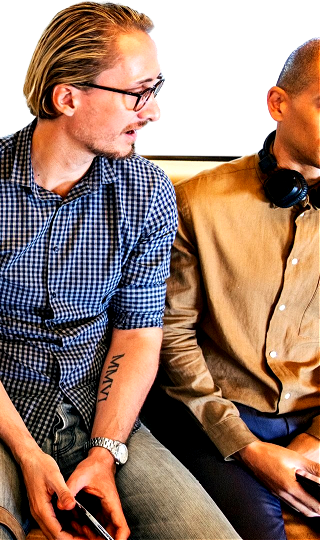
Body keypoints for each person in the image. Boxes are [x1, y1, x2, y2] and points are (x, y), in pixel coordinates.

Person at [0, 3, 240, 539]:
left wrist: (106, 451)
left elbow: (137, 332)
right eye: (138, 93)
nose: (155, 111)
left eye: (155, 89)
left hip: (101, 407)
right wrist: (26, 451)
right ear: (67, 97)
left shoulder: (148, 192)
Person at [144, 37, 320, 540]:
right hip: (217, 418)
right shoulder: (196, 203)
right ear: (277, 103)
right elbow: (171, 341)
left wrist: (314, 444)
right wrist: (247, 446)